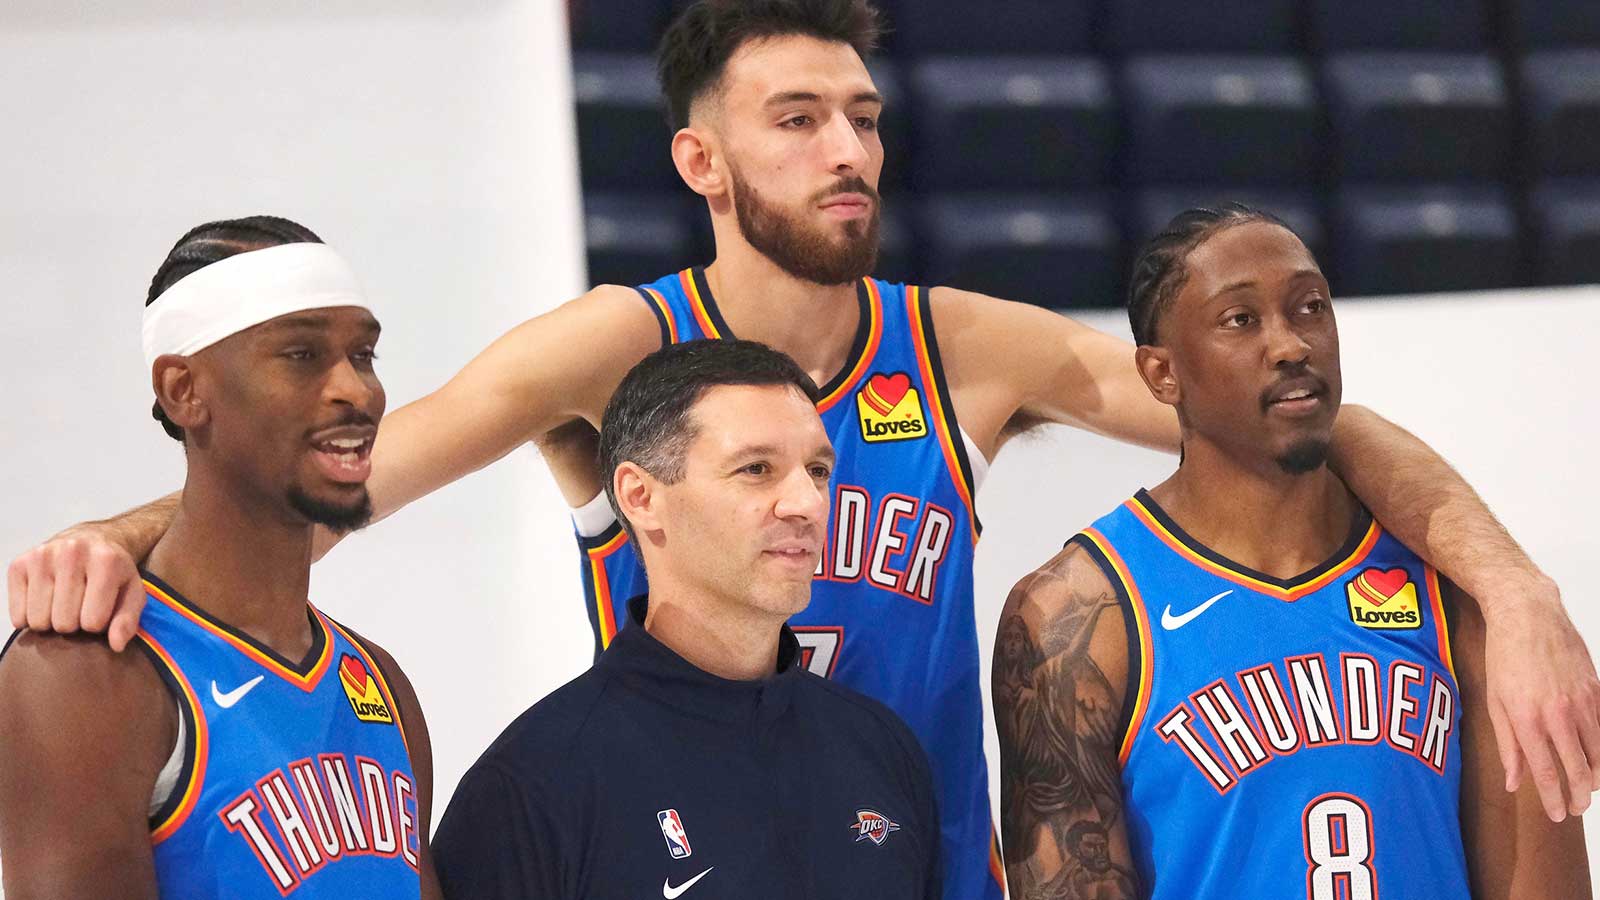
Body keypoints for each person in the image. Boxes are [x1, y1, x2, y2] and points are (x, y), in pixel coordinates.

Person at [9, 1, 1600, 895]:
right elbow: (343, 474)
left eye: (862, 114)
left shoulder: (961, 344)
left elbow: (1305, 421)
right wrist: (107, 537)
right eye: (795, 119)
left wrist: (1513, 588)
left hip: (912, 863)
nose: (847, 150)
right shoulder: (618, 350)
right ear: (701, 157)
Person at [993, 206, 1590, 899]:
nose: (1290, 345)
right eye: (1240, 320)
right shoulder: (1079, 616)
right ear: (1161, 374)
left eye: (1310, 308)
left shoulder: (1460, 590)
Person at [0, 217, 442, 899]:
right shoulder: (83, 677)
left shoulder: (381, 682)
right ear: (184, 390)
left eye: (363, 355)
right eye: (301, 355)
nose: (356, 391)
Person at [432, 339, 940, 900]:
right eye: (756, 469)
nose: (809, 502)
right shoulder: (533, 786)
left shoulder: (882, 749)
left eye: (817, 470)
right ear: (640, 496)